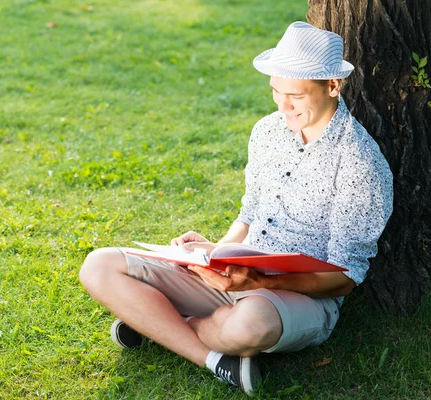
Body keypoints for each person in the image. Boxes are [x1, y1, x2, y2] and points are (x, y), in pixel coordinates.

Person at [79, 21, 393, 394]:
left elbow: (345, 276)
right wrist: (217, 253)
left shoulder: (360, 162)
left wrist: (259, 281)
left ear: (332, 86)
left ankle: (162, 324)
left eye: (295, 95)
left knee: (250, 326)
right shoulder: (267, 131)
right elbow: (250, 214)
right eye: (276, 91)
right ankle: (213, 357)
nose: (283, 105)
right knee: (99, 265)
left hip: (298, 298)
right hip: (237, 275)